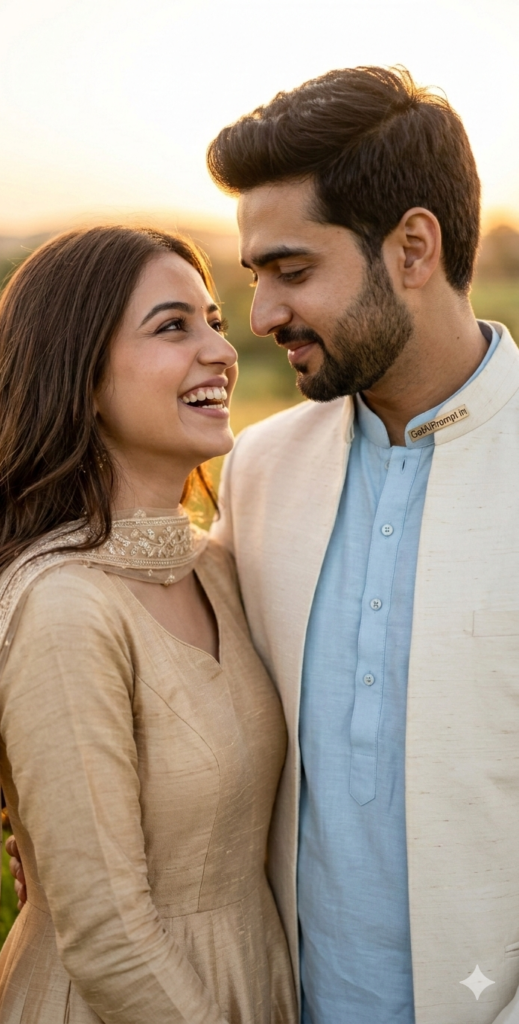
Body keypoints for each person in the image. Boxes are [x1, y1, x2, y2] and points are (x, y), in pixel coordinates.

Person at [202, 66, 519, 1024]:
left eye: (293, 272)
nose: (262, 317)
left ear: (413, 248)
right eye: (256, 278)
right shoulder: (257, 470)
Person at [0, 226, 297, 1024]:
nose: (222, 351)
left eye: (214, 321)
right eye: (173, 326)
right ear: (80, 376)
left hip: (254, 980)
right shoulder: (64, 607)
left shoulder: (217, 568)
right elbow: (108, 940)